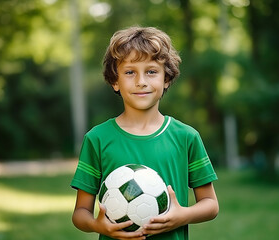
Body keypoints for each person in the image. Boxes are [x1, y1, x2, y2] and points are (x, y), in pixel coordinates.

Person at [71, 26, 219, 240]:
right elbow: (80, 213)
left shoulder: (186, 137)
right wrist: (98, 225)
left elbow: (211, 205)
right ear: (115, 81)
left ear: (166, 78)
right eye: (130, 72)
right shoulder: (97, 139)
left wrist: (182, 215)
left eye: (151, 71)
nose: (141, 81)